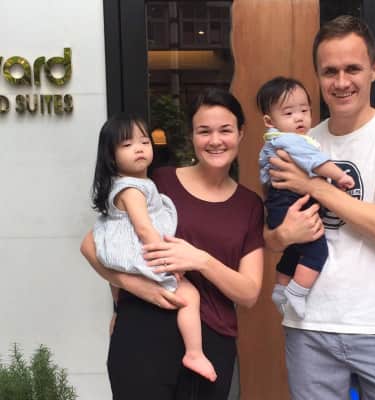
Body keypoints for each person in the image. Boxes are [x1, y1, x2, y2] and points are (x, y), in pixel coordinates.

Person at [265, 15, 375, 400]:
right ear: (318, 77)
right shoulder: (299, 140)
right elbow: (270, 235)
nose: (341, 82)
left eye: (352, 68)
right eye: (330, 71)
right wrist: (281, 235)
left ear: (374, 69)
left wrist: (312, 186)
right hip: (309, 325)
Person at [80, 88, 264, 400]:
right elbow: (91, 246)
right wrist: (136, 287)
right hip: (144, 326)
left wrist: (201, 260)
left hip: (211, 341)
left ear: (241, 133)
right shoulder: (159, 182)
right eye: (204, 131)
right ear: (191, 135)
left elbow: (248, 293)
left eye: (225, 130)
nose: (215, 140)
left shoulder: (249, 205)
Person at [90, 113, 217, 382]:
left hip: (130, 259)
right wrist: (169, 263)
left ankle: (118, 315)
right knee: (189, 295)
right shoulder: (132, 189)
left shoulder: (135, 185)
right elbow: (144, 229)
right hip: (146, 256)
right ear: (111, 156)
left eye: (144, 142)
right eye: (127, 145)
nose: (138, 148)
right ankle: (194, 353)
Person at [257, 76, 354, 318]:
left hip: (280, 206)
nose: (299, 118)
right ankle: (297, 292)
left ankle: (280, 288)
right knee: (316, 251)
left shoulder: (273, 142)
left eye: (304, 110)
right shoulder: (291, 140)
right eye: (289, 113)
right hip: (291, 204)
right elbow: (316, 162)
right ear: (270, 121)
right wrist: (339, 175)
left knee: (294, 250)